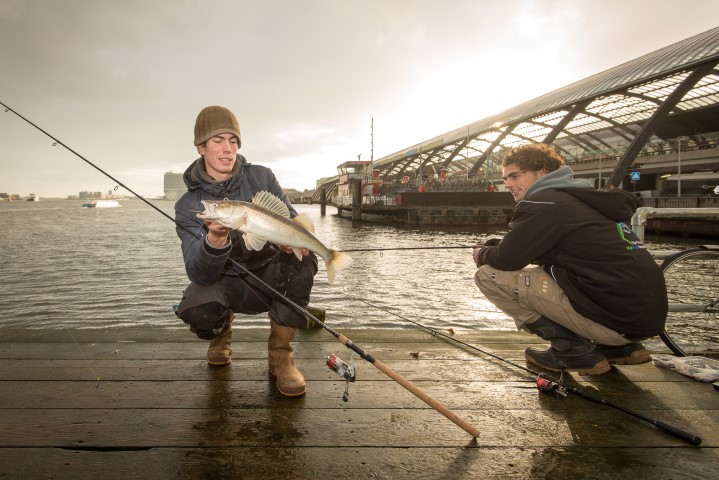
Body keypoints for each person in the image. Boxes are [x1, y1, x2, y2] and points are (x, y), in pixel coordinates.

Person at [473, 143, 667, 375]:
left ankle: (571, 348)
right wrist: (500, 246)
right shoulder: (582, 199)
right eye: (505, 179)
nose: (508, 184)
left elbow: (506, 260)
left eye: (515, 176)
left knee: (487, 275)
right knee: (550, 272)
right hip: (640, 319)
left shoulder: (544, 202)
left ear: (542, 172)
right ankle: (619, 348)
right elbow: (541, 247)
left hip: (617, 320)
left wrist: (481, 253)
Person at [174, 105, 318, 396]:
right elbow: (197, 271)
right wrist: (215, 239)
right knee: (198, 308)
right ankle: (221, 335)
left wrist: (286, 239)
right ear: (201, 147)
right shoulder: (188, 206)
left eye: (233, 140)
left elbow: (290, 218)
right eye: (217, 141)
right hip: (225, 281)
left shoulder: (262, 177)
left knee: (305, 261)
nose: (228, 149)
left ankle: (281, 354)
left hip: (268, 278)